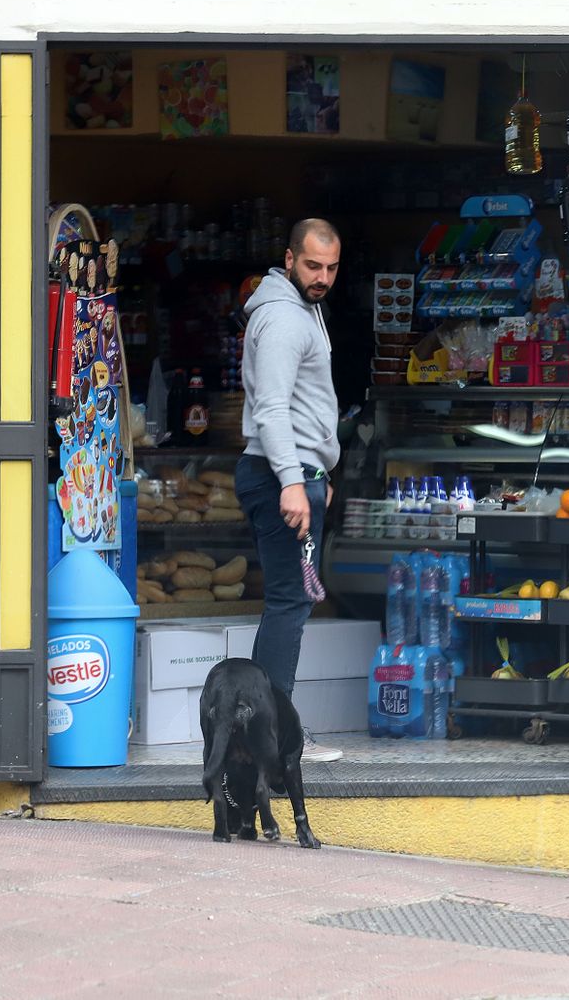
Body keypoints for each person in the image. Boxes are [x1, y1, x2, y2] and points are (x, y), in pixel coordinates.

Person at [236, 218, 343, 764]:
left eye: (330, 268)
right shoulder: (282, 318)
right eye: (312, 266)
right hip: (283, 475)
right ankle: (273, 740)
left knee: (288, 603)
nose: (322, 277)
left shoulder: (303, 308)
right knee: (288, 604)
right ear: (288, 258)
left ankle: (264, 731)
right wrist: (294, 482)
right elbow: (273, 409)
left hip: (296, 472)